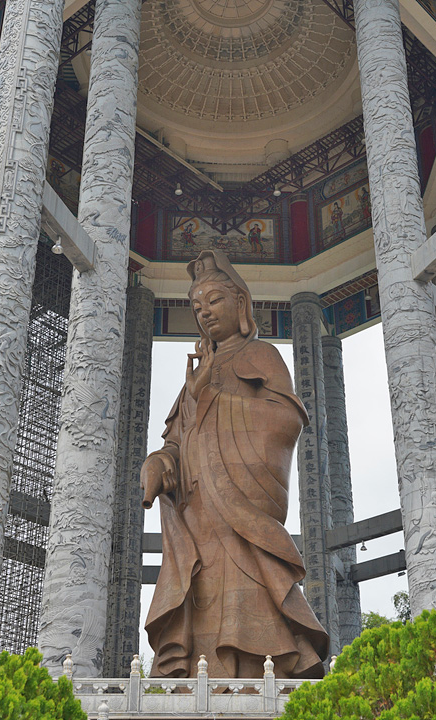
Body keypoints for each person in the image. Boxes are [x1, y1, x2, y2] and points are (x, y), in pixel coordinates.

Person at [141, 250, 328, 679]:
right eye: (197, 307)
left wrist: (212, 397)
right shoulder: (197, 374)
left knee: (251, 593)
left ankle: (263, 673)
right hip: (198, 513)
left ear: (241, 303)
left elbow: (285, 421)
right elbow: (179, 440)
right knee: (199, 592)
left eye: (214, 300)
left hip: (241, 509)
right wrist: (160, 462)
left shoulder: (261, 356)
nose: (205, 312)